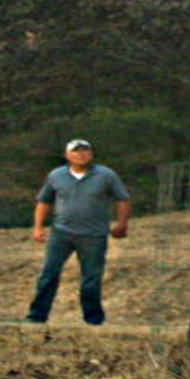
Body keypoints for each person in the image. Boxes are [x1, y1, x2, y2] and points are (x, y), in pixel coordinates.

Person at [25, 138, 131, 325]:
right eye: (76, 151)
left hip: (94, 235)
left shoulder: (106, 175)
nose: (81, 155)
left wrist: (122, 224)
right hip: (61, 233)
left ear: (91, 154)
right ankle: (36, 315)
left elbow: (122, 199)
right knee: (48, 274)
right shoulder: (56, 175)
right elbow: (44, 201)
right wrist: (38, 227)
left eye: (85, 151)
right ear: (67, 156)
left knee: (91, 278)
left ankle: (93, 319)